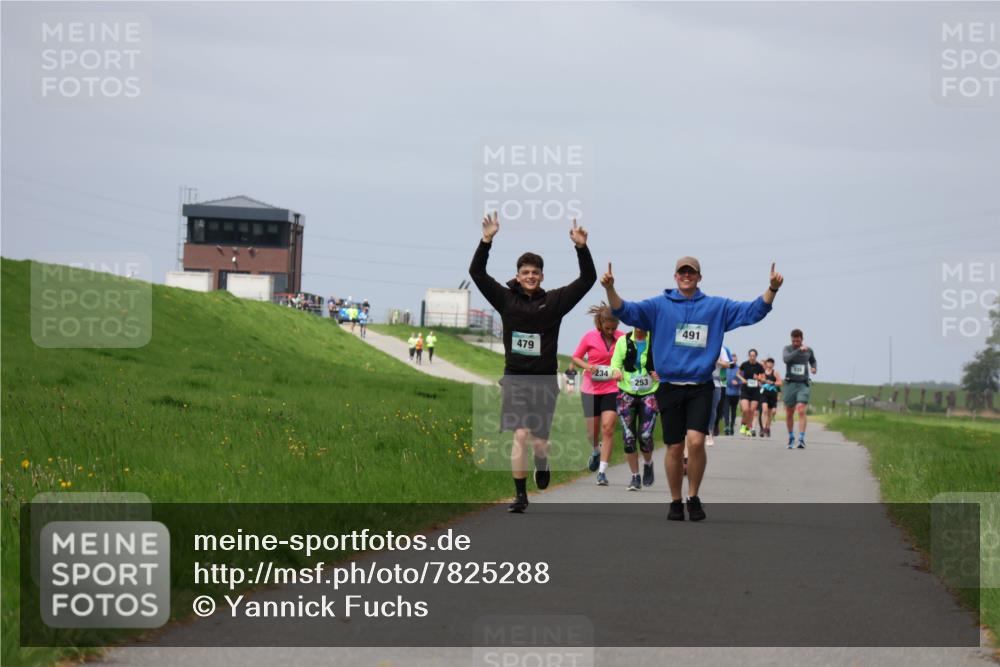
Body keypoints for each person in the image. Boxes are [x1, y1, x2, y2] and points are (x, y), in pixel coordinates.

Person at [602, 257, 782, 521]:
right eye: (682, 272)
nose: (686, 276)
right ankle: (675, 500)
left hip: (700, 386)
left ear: (699, 277)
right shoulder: (658, 306)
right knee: (675, 448)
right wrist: (610, 288)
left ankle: (693, 496)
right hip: (669, 387)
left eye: (691, 272)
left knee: (696, 441)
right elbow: (625, 311)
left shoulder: (716, 307)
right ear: (675, 276)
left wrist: (772, 289)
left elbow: (751, 312)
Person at [469, 211, 595, 513]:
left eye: (535, 273)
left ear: (541, 276)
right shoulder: (505, 299)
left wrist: (581, 247)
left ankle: (542, 460)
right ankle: (520, 495)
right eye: (525, 272)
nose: (530, 276)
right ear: (518, 275)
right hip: (514, 378)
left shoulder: (553, 302)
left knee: (539, 442)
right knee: (521, 434)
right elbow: (477, 273)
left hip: (544, 381)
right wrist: (486, 241)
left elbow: (587, 279)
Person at [572, 304, 623, 486]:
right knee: (591, 433)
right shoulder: (589, 337)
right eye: (607, 328)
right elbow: (576, 357)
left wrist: (621, 371)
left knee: (608, 429)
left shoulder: (622, 338)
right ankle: (595, 450)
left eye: (613, 328)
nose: (610, 332)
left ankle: (602, 472)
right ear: (600, 323)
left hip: (612, 388)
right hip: (590, 389)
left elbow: (628, 360)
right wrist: (588, 366)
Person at [610, 327, 659, 490]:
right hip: (626, 394)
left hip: (649, 394)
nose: (639, 327)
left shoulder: (656, 340)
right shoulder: (623, 341)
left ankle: (648, 463)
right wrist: (616, 372)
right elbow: (615, 364)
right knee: (629, 438)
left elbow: (666, 361)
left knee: (645, 436)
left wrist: (660, 373)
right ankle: (635, 477)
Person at [783, 328, 817, 449]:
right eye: (793, 341)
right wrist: (798, 350)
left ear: (802, 339)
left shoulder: (808, 350)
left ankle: (801, 438)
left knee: (801, 409)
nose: (795, 343)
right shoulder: (787, 349)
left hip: (803, 384)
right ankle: (791, 437)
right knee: (789, 412)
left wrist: (814, 367)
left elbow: (813, 360)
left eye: (798, 341)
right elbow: (786, 359)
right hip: (790, 384)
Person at [706, 346, 732, 446]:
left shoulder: (721, 348)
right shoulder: (699, 344)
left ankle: (709, 432)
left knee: (713, 409)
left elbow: (727, 364)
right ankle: (698, 432)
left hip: (716, 382)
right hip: (700, 381)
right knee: (701, 408)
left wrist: (717, 361)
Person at [737, 349, 765, 437]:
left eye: (754, 356)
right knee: (745, 410)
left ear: (756, 356)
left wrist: (758, 378)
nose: (752, 357)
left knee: (752, 411)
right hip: (745, 390)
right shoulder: (744, 364)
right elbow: (737, 374)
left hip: (755, 391)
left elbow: (763, 379)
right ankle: (743, 425)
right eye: (751, 355)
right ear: (748, 356)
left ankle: (748, 428)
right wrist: (743, 379)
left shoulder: (759, 366)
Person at [759, 357, 782, 438]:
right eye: (769, 362)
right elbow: (760, 380)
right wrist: (764, 381)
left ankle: (768, 427)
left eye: (771, 363)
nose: (770, 364)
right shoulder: (762, 373)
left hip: (772, 394)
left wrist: (773, 383)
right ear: (766, 364)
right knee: (764, 410)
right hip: (764, 393)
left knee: (770, 413)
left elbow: (780, 383)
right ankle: (763, 428)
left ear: (773, 364)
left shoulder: (775, 373)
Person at [724, 353, 741, 435]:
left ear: (736, 360)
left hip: (735, 393)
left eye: (734, 360)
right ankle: (726, 426)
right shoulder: (725, 368)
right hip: (726, 392)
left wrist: (738, 383)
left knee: (733, 411)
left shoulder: (739, 369)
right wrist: (726, 382)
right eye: (732, 360)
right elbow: (722, 378)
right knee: (726, 410)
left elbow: (743, 380)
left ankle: (732, 426)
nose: (733, 361)